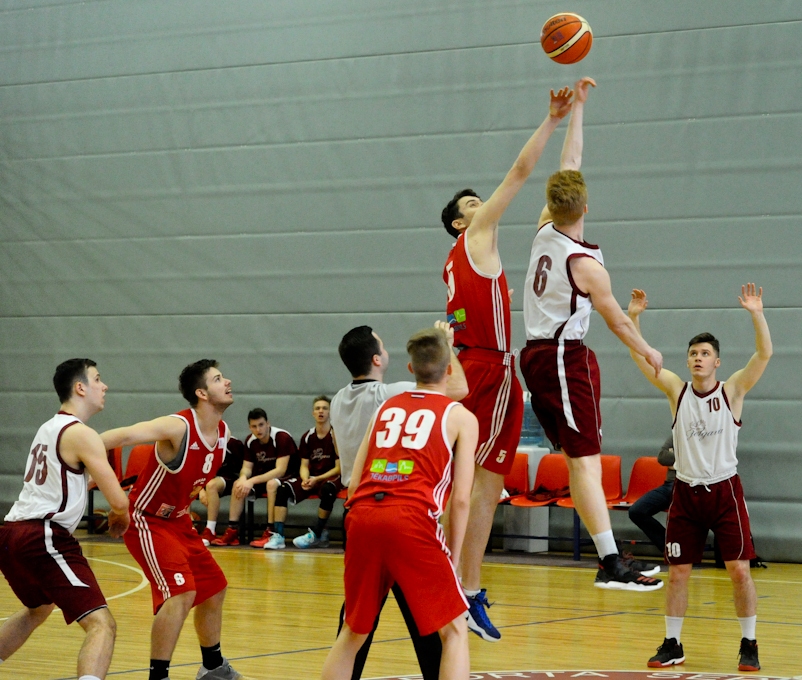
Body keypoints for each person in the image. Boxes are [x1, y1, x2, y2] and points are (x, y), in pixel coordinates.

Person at [440, 82, 576, 640]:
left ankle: (453, 582)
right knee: (485, 488)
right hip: (490, 372)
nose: (482, 205)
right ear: (458, 223)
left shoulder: (455, 262)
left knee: (468, 487)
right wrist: (551, 120)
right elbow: (519, 175)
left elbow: (450, 328)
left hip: (470, 366)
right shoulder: (477, 234)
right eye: (471, 204)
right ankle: (462, 590)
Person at [519, 77, 663, 592]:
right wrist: (646, 347)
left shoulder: (543, 226)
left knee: (580, 462)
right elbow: (615, 319)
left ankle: (607, 557)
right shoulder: (586, 265)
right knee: (584, 462)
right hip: (563, 357)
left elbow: (569, 164)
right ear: (586, 207)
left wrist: (577, 108)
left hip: (537, 354)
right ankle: (610, 564)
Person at [627, 284, 771, 672]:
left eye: (705, 353)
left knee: (739, 571)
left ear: (717, 362)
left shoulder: (733, 391)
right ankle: (673, 643)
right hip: (686, 493)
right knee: (678, 574)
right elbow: (641, 357)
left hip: (725, 490)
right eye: (693, 353)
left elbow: (764, 354)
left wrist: (756, 312)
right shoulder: (677, 391)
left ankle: (749, 643)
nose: (697, 358)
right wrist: (635, 317)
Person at [321, 327, 478, 680]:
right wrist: (453, 555)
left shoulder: (386, 407)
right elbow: (463, 498)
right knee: (454, 631)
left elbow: (358, 478)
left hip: (361, 514)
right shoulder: (460, 416)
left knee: (353, 632)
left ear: (410, 369)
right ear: (449, 368)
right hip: (411, 519)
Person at [100, 359, 242, 680]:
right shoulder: (178, 426)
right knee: (181, 592)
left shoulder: (222, 433)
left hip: (179, 521)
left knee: (214, 588)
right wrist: (74, 446)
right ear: (202, 393)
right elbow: (124, 435)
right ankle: (158, 676)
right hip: (146, 520)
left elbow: (195, 472)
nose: (228, 381)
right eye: (219, 379)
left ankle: (212, 666)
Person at [0, 359, 129, 680]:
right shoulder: (81, 434)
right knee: (102, 624)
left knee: (38, 610)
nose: (105, 386)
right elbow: (119, 501)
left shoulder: (49, 427)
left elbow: (66, 483)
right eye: (98, 379)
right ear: (80, 387)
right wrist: (120, 513)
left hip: (11, 533)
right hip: (43, 535)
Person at [264, 396, 342, 550]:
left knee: (328, 490)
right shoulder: (308, 436)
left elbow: (339, 467)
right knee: (282, 489)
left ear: (330, 413)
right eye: (317, 408)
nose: (321, 411)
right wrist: (306, 478)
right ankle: (278, 536)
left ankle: (318, 533)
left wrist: (317, 479)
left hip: (330, 477)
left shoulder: (336, 435)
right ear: (313, 413)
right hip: (312, 477)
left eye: (325, 408)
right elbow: (304, 464)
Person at [211, 408, 296, 547]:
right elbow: (247, 468)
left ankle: (270, 530)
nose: (258, 429)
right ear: (250, 427)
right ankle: (232, 531)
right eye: (254, 426)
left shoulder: (281, 437)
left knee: (271, 484)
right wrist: (244, 478)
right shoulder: (250, 441)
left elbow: (280, 470)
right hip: (263, 476)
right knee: (238, 484)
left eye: (261, 425)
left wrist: (251, 480)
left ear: (268, 423)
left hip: (288, 477)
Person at [628, 434, 676, 555]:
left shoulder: (705, 436)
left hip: (692, 486)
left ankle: (683, 551)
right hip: (670, 485)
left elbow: (703, 460)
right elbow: (662, 457)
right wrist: (687, 459)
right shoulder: (677, 433)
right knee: (636, 511)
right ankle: (669, 547)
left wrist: (675, 460)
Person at [197, 436, 246, 546]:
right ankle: (188, 529)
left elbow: (245, 465)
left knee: (211, 485)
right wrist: (200, 491)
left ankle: (210, 530)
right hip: (206, 479)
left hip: (230, 478)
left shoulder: (232, 443)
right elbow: (197, 470)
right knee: (186, 485)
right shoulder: (200, 443)